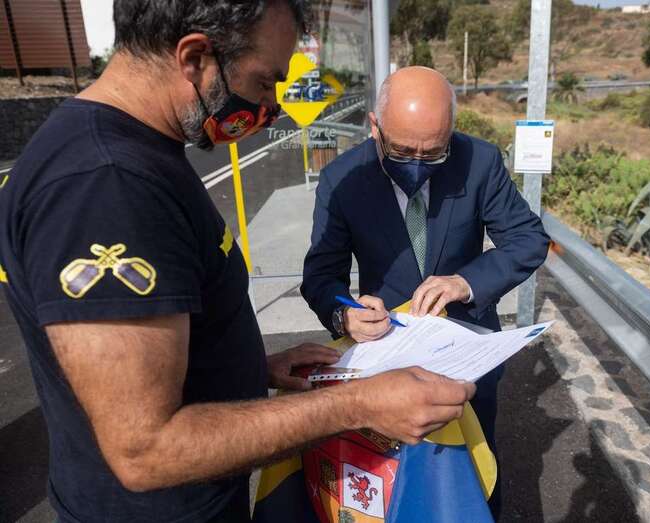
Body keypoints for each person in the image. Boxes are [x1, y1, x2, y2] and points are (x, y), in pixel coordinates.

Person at [0, 3, 475, 522]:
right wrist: (359, 404)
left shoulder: (137, 148)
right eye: (265, 81)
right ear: (195, 58)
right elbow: (145, 450)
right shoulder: (106, 187)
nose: (271, 105)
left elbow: (151, 355)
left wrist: (252, 370)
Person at [301, 66, 551, 516]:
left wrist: (466, 282)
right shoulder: (343, 179)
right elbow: (321, 275)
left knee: (475, 471)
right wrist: (345, 314)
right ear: (375, 127)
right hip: (388, 357)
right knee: (395, 483)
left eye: (433, 153)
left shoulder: (479, 161)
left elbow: (528, 239)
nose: (416, 163)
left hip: (467, 351)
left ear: (451, 131)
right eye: (401, 150)